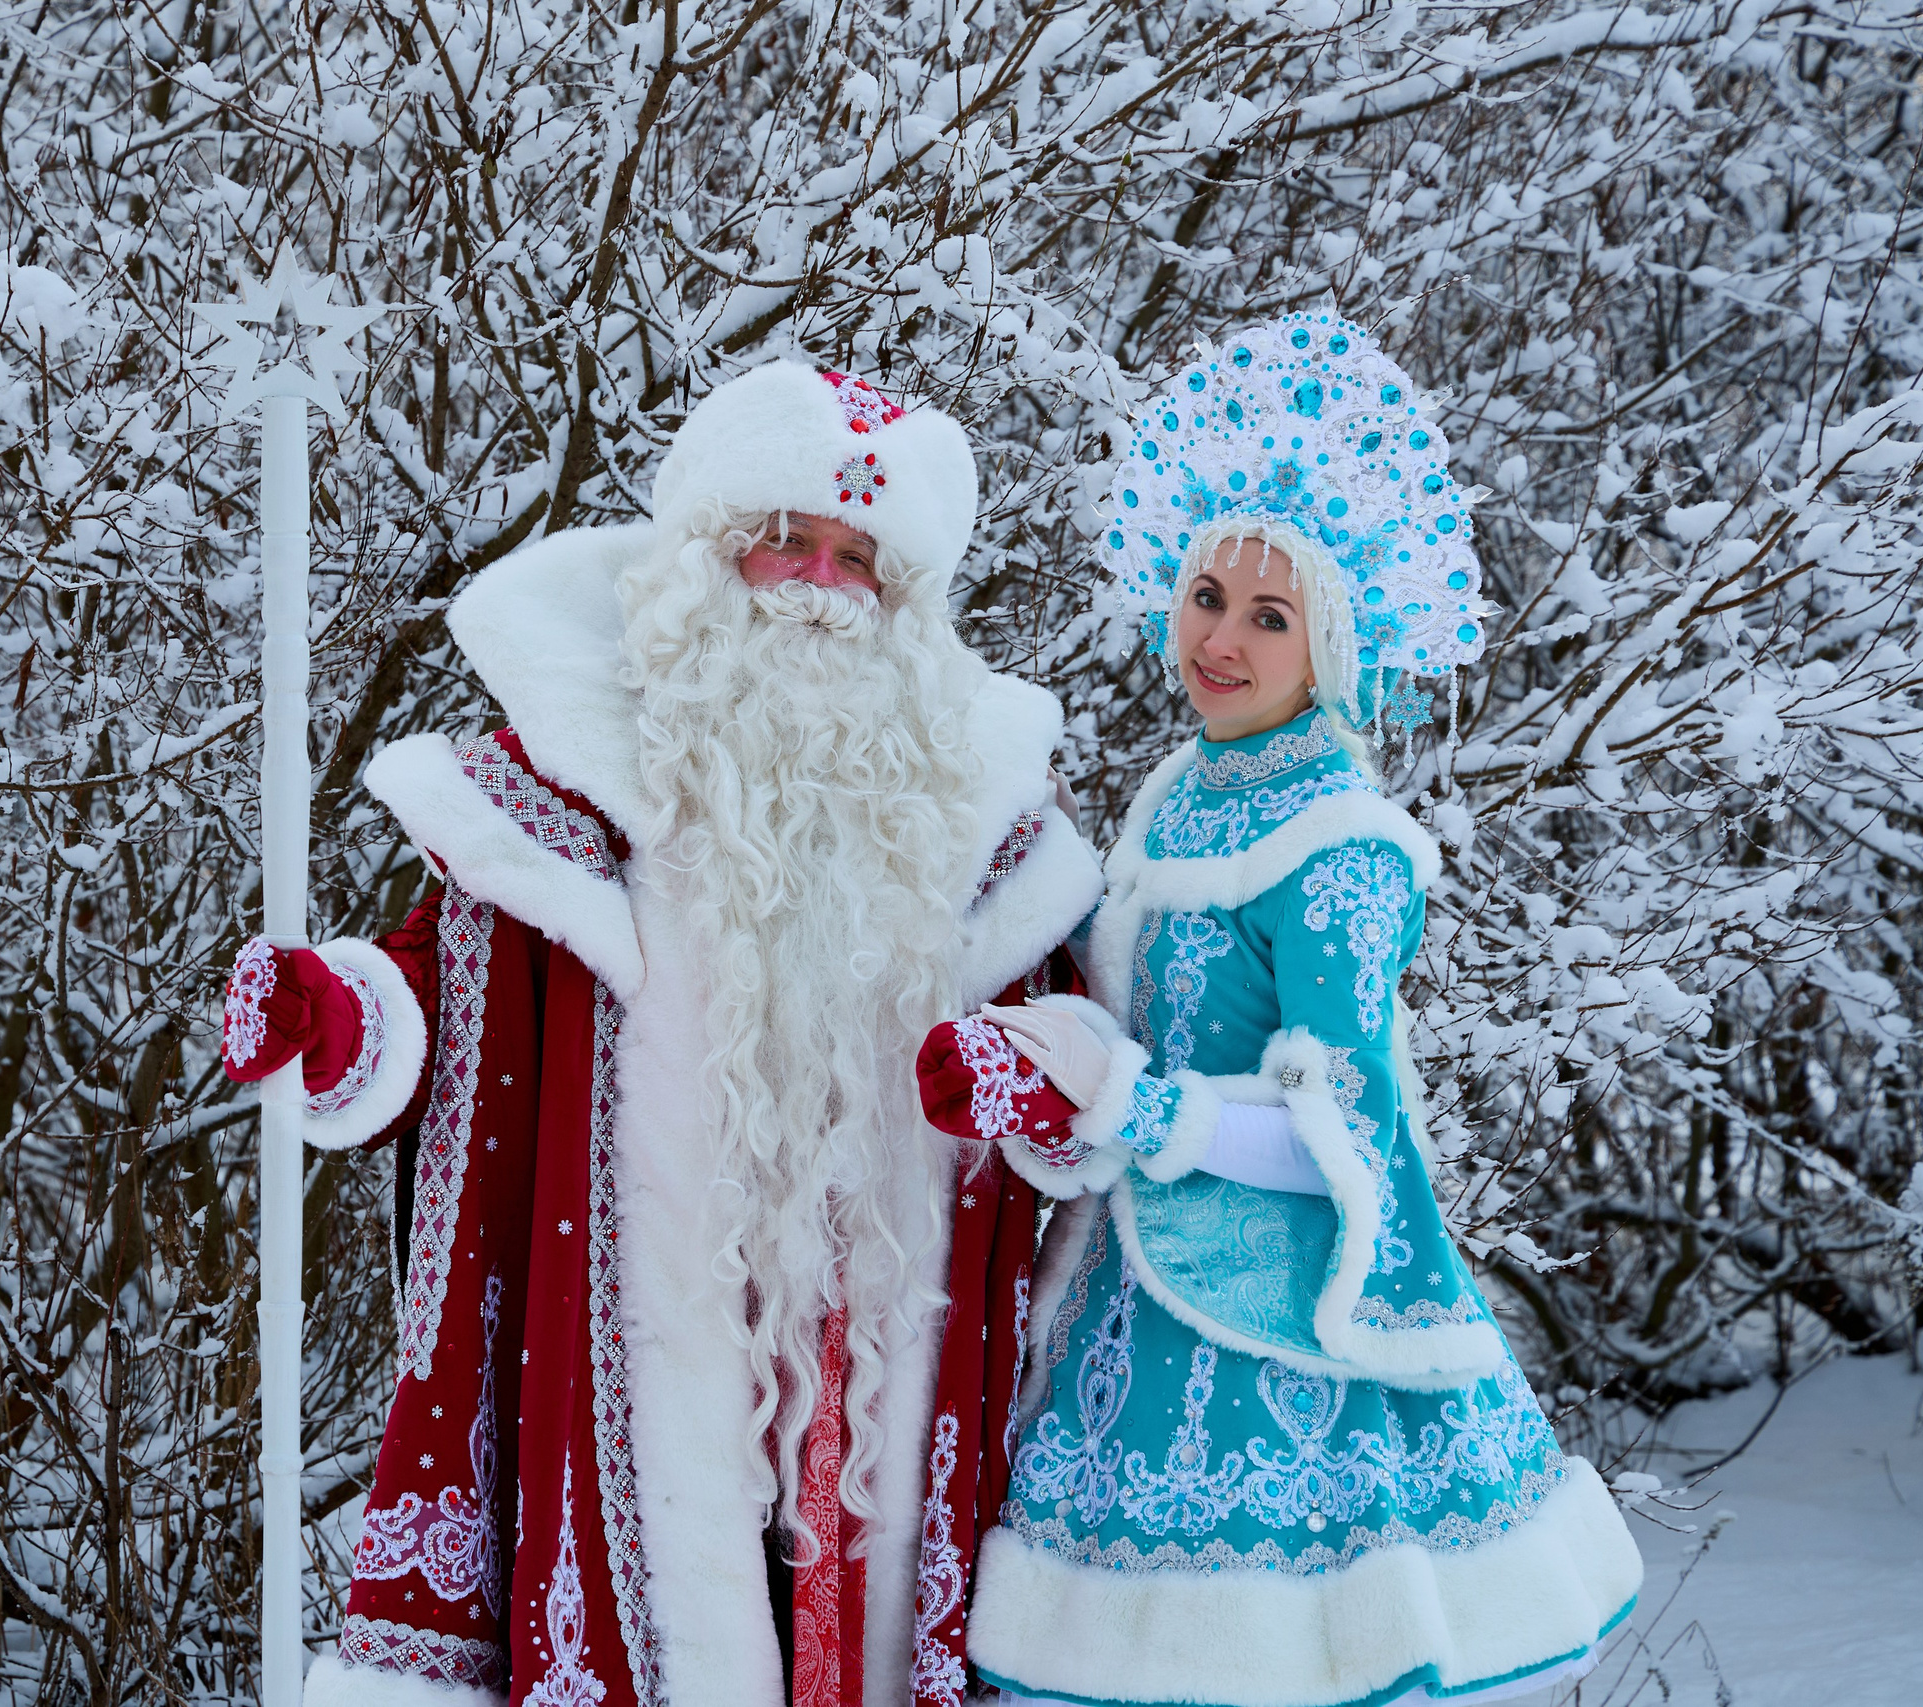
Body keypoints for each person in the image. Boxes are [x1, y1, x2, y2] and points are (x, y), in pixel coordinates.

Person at [219, 362, 1104, 1707]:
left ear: (905, 604)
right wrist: (331, 1021)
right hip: (629, 1349)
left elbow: (1072, 1070)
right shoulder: (577, 785)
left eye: (858, 557)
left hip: (875, 1382)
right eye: (786, 540)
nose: (817, 582)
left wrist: (1046, 1089)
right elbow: (438, 987)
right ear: (711, 556)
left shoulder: (978, 833)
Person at [916, 315, 1643, 1707]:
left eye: (1269, 616)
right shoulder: (1172, 795)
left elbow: (1346, 1130)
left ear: (1333, 645)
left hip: (1295, 1345)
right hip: (1140, 1295)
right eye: (1204, 597)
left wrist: (1135, 1102)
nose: (1221, 640)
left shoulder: (1342, 844)